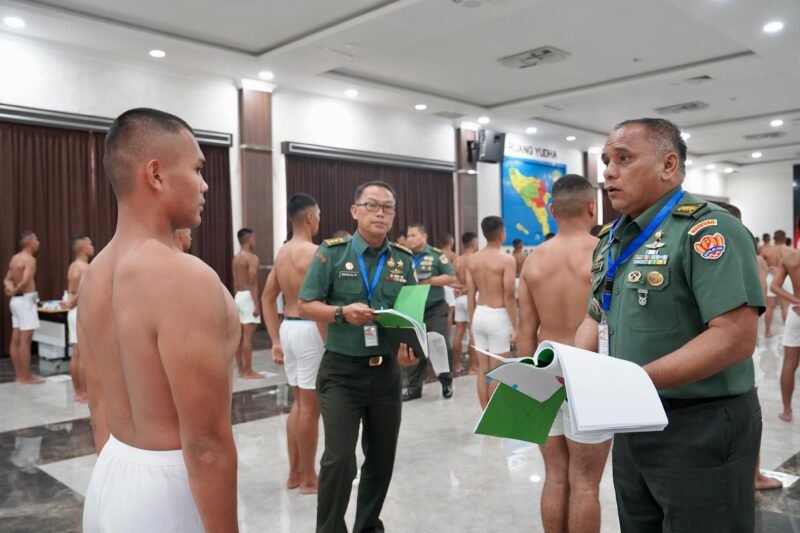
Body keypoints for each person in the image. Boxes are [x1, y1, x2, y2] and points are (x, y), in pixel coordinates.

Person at [577, 117, 763, 532]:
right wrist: (570, 367)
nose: (608, 171)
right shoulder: (611, 237)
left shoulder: (708, 230)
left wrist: (637, 379)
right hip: (631, 418)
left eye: (624, 158)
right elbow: (596, 315)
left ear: (668, 165)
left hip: (701, 424)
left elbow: (734, 337)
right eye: (607, 160)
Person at [79, 108, 239, 532]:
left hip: (113, 470)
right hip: (169, 489)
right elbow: (205, 444)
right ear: (156, 174)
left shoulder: (95, 275)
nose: (205, 185)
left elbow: (99, 407)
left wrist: (125, 488)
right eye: (197, 169)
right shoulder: (182, 275)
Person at [298, 180, 420, 533]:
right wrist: (340, 314)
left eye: (387, 207)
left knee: (381, 459)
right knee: (339, 460)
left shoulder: (403, 259)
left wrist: (408, 349)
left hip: (385, 375)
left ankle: (367, 526)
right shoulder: (332, 254)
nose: (380, 213)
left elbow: (409, 315)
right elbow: (306, 305)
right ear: (355, 211)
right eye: (372, 205)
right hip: (341, 372)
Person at [516, 175, 611, 532]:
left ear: (552, 210)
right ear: (592, 207)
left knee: (555, 476)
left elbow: (525, 333)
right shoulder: (604, 253)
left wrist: (527, 387)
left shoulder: (532, 260)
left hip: (543, 367)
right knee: (586, 484)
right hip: (589, 372)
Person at [717, 203, 782, 490]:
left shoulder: (747, 258)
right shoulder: (751, 259)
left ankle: (753, 474)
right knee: (745, 414)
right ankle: (752, 475)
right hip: (726, 346)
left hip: (731, 346)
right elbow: (761, 299)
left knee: (745, 412)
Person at [262, 193, 324, 494]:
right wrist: (329, 342)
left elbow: (267, 297)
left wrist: (275, 340)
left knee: (298, 404)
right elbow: (322, 301)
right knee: (311, 408)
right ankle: (310, 478)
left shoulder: (282, 253)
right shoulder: (315, 253)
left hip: (288, 327)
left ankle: (294, 473)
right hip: (311, 329)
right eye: (319, 215)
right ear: (310, 217)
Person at [402, 223, 458, 401]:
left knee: (438, 344)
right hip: (411, 308)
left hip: (434, 308)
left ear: (424, 236)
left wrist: (429, 280)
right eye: (408, 236)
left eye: (413, 235)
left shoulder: (436, 255)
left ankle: (446, 381)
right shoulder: (402, 256)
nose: (409, 239)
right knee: (412, 347)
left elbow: (450, 277)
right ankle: (414, 388)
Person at [467, 216, 517, 409]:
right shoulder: (506, 259)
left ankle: (484, 412)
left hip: (479, 313)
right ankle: (496, 416)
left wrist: (472, 323)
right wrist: (516, 326)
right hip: (498, 316)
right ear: (502, 233)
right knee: (499, 369)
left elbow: (471, 294)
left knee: (483, 369)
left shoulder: (473, 260)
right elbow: (510, 296)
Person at [3, 231, 44, 384]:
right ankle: (26, 376)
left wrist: (10, 288)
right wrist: (15, 288)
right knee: (25, 340)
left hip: (15, 302)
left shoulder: (14, 259)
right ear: (29, 242)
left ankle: (19, 375)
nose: (38, 242)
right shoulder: (30, 260)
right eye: (36, 239)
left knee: (16, 338)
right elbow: (26, 280)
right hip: (26, 301)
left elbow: (7, 279)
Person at [60, 235, 95, 402]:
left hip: (72, 312)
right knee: (83, 353)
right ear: (82, 248)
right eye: (89, 244)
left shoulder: (72, 266)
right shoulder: (85, 267)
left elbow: (70, 290)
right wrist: (71, 304)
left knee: (76, 352)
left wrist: (68, 303)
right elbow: (81, 291)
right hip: (80, 310)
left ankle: (78, 392)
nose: (92, 246)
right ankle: (84, 393)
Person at [771, 246, 800, 422]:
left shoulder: (790, 259)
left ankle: (787, 411)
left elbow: (774, 287)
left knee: (789, 362)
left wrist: (797, 300)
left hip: (795, 312)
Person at [233, 228, 263, 379]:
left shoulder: (236, 258)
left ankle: (240, 370)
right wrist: (256, 305)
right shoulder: (252, 258)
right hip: (248, 297)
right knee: (247, 337)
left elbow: (236, 282)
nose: (255, 241)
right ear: (248, 239)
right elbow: (253, 283)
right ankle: (248, 371)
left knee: (238, 337)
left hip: (238, 296)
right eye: (253, 239)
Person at [453, 232, 478, 374]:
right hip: (470, 298)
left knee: (459, 332)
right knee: (473, 332)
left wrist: (459, 289)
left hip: (459, 298)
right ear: (474, 243)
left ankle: (457, 365)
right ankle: (473, 367)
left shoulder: (457, 260)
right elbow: (476, 284)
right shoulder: (475, 259)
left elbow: (453, 280)